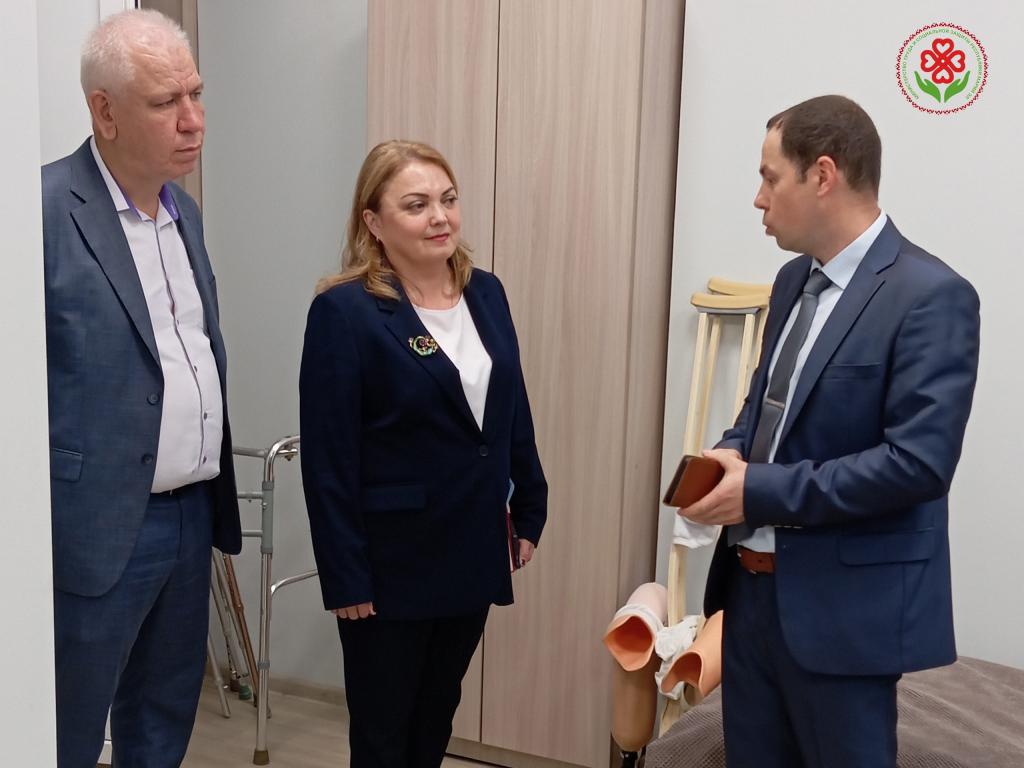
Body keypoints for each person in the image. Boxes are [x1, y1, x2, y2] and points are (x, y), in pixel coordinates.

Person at [678, 95, 980, 767]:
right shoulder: (793, 281)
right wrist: (729, 454)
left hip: (844, 615)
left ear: (822, 175)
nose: (758, 199)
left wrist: (758, 490)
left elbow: (918, 464)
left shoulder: (931, 296)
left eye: (769, 177)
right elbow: (765, 409)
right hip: (749, 598)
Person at [299, 140, 548, 767]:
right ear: (374, 222)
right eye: (416, 205)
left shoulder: (485, 293)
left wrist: (531, 503)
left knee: (435, 719)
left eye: (448, 199)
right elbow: (329, 460)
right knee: (384, 735)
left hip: (472, 545)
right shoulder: (345, 312)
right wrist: (345, 574)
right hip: (390, 563)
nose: (440, 216)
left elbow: (509, 407)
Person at [41, 10, 241, 766]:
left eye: (196, 94)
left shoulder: (184, 213)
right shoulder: (41, 211)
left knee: (162, 723)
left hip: (190, 514)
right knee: (64, 729)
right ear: (105, 111)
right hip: (95, 526)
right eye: (166, 102)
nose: (193, 120)